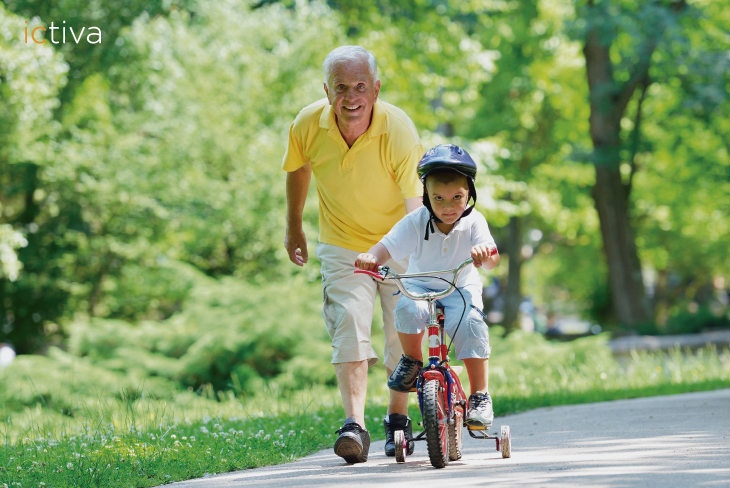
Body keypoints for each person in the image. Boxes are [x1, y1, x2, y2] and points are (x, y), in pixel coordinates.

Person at [282, 45, 423, 463]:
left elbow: (415, 207)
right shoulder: (308, 123)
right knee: (348, 324)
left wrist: (407, 256)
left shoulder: (398, 130)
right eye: (341, 87)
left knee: (403, 335)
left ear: (376, 89)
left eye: (360, 86)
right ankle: (353, 426)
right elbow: (298, 167)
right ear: (327, 91)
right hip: (343, 242)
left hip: (399, 241)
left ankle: (398, 418)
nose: (351, 97)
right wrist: (294, 226)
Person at [355, 143, 500, 431]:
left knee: (470, 323)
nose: (448, 207)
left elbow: (492, 260)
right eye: (439, 199)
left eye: (457, 197)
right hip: (420, 285)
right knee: (408, 308)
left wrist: (486, 255)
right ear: (426, 198)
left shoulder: (474, 222)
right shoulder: (416, 221)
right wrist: (371, 256)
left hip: (460, 286)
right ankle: (412, 360)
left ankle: (480, 394)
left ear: (469, 193)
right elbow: (386, 247)